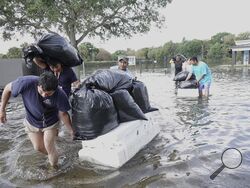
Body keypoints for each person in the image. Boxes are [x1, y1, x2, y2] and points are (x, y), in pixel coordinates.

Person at [0, 72, 74, 168]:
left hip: (51, 121)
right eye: (41, 91)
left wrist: (71, 130)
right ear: (38, 85)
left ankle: (53, 170)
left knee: (49, 146)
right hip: (32, 120)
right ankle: (59, 154)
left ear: (55, 90)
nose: (44, 95)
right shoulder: (25, 83)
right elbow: (7, 89)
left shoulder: (60, 94)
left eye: (48, 94)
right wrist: (2, 110)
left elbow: (63, 114)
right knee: (38, 148)